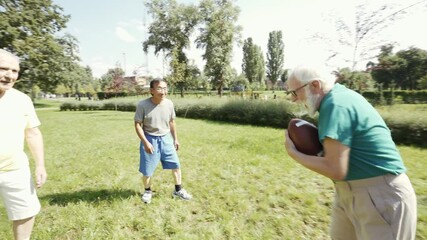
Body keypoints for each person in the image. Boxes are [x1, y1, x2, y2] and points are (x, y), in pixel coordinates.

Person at [284, 65, 417, 240]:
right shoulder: (336, 99)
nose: (294, 99)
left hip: (381, 195)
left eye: (295, 92)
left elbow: (336, 169)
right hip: (352, 192)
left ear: (315, 85)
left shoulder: (336, 105)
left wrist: (295, 154)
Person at [0, 49, 47, 240]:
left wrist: (40, 165)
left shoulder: (22, 99)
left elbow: (32, 133)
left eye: (14, 71)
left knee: (26, 212)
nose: (9, 75)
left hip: (14, 168)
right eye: (3, 68)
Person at [134, 79, 192, 204]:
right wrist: (145, 142)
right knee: (147, 170)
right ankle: (148, 191)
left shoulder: (169, 104)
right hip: (150, 138)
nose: (163, 91)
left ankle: (178, 190)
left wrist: (175, 139)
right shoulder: (142, 105)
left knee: (176, 165)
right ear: (152, 91)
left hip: (166, 138)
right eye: (160, 88)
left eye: (165, 88)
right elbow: (138, 125)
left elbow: (171, 122)